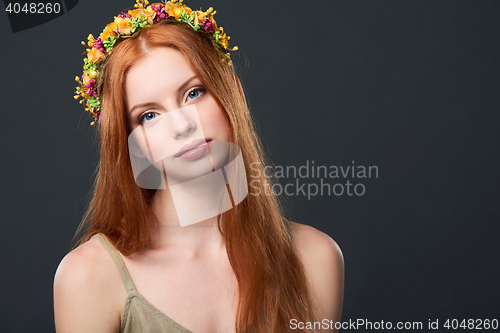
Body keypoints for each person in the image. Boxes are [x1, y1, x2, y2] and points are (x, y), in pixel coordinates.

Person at [54, 1, 344, 332]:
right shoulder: (88, 277)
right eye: (149, 115)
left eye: (193, 93)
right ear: (131, 144)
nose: (181, 126)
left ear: (230, 92)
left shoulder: (315, 259)